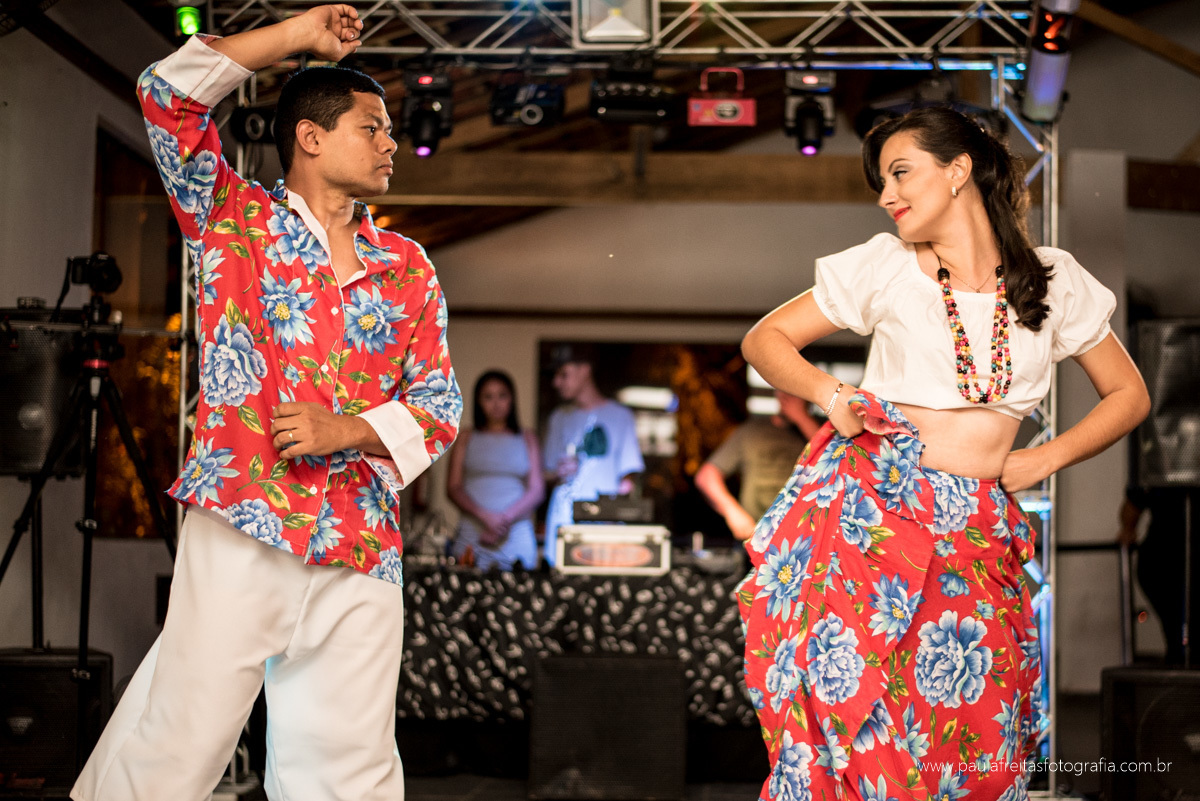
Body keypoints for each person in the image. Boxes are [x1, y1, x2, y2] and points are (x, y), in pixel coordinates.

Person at [72, 6, 462, 800]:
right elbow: (167, 95)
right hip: (244, 517)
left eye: (391, 132)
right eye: (373, 127)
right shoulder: (232, 220)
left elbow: (439, 403)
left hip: (361, 544)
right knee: (182, 737)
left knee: (349, 769)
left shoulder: (408, 267)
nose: (391, 143)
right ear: (309, 137)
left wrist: (344, 429)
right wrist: (298, 36)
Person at [737, 107, 1150, 800]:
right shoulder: (887, 266)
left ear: (959, 170)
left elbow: (1129, 395)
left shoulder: (1053, 279)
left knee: (977, 724)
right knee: (859, 719)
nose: (886, 195)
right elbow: (765, 340)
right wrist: (831, 393)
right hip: (871, 515)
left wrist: (1043, 459)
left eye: (900, 173)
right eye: (881, 181)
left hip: (976, 528)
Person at [542, 344, 645, 566]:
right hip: (563, 522)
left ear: (584, 370)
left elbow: (628, 478)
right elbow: (544, 475)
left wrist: (613, 514)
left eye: (563, 374)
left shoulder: (620, 416)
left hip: (604, 527)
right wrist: (558, 473)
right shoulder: (558, 418)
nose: (557, 382)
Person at [447, 370, 544, 570]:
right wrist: (485, 517)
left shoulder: (528, 437)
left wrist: (504, 520)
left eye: (502, 395)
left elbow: (537, 490)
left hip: (516, 534)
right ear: (478, 401)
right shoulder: (466, 436)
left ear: (512, 399)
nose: (496, 403)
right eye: (488, 397)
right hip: (473, 533)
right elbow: (453, 488)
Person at [696, 391, 821, 541]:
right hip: (755, 535)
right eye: (783, 388)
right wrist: (732, 511)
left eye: (796, 389)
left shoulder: (823, 431)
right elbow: (706, 476)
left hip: (804, 536)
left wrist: (802, 418)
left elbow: (835, 459)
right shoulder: (752, 430)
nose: (788, 394)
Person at [1117, 486, 1199, 665]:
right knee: (1178, 636)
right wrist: (1127, 530)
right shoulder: (1156, 471)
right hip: (1164, 563)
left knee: (1180, 638)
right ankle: (1179, 663)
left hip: (1165, 561)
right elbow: (1132, 506)